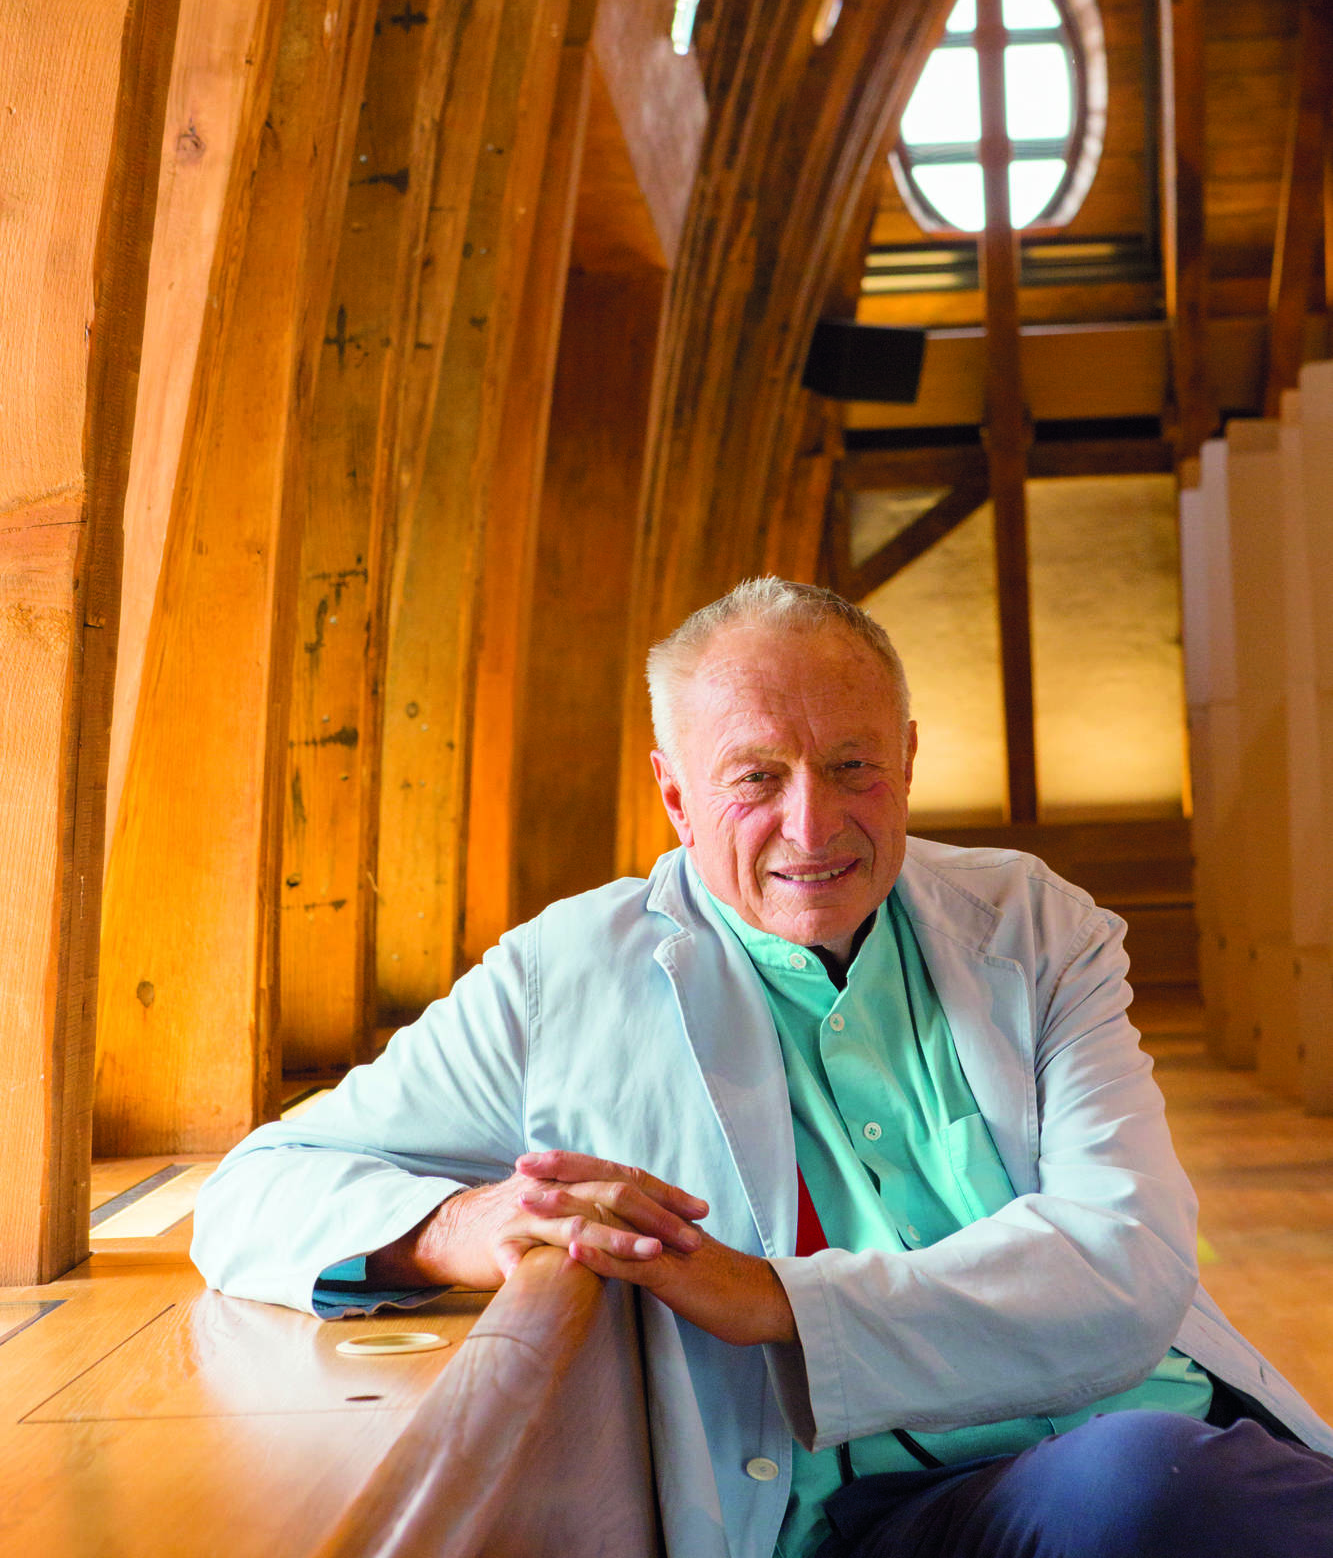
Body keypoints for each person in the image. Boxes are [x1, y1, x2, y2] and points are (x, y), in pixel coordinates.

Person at [193, 578, 1333, 1557]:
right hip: (892, 1510)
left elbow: (1127, 1260)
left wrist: (776, 1298)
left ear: (907, 759)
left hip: (1178, 1436)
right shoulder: (563, 976)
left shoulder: (1033, 923)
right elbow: (254, 1187)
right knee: (1142, 1491)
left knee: (1174, 1480)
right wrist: (460, 1224)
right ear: (674, 794)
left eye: (852, 765)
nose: (812, 824)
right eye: (755, 777)